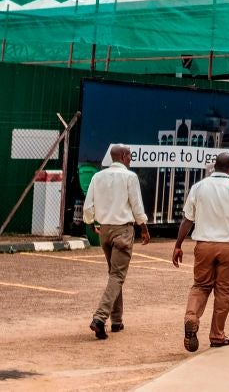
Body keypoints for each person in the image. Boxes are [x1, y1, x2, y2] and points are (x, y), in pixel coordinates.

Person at [172, 152, 229, 351]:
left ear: (214, 166)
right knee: (224, 292)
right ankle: (217, 335)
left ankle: (192, 317)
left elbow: (187, 220)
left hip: (204, 246)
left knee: (200, 286)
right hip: (228, 247)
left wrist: (178, 245)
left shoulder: (198, 187)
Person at [83, 144, 150, 339]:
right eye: (129, 155)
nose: (131, 158)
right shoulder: (130, 177)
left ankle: (117, 320)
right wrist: (144, 228)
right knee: (117, 275)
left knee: (114, 274)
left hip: (104, 230)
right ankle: (100, 318)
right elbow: (137, 206)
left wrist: (92, 223)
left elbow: (88, 206)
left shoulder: (97, 176)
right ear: (122, 156)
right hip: (123, 230)